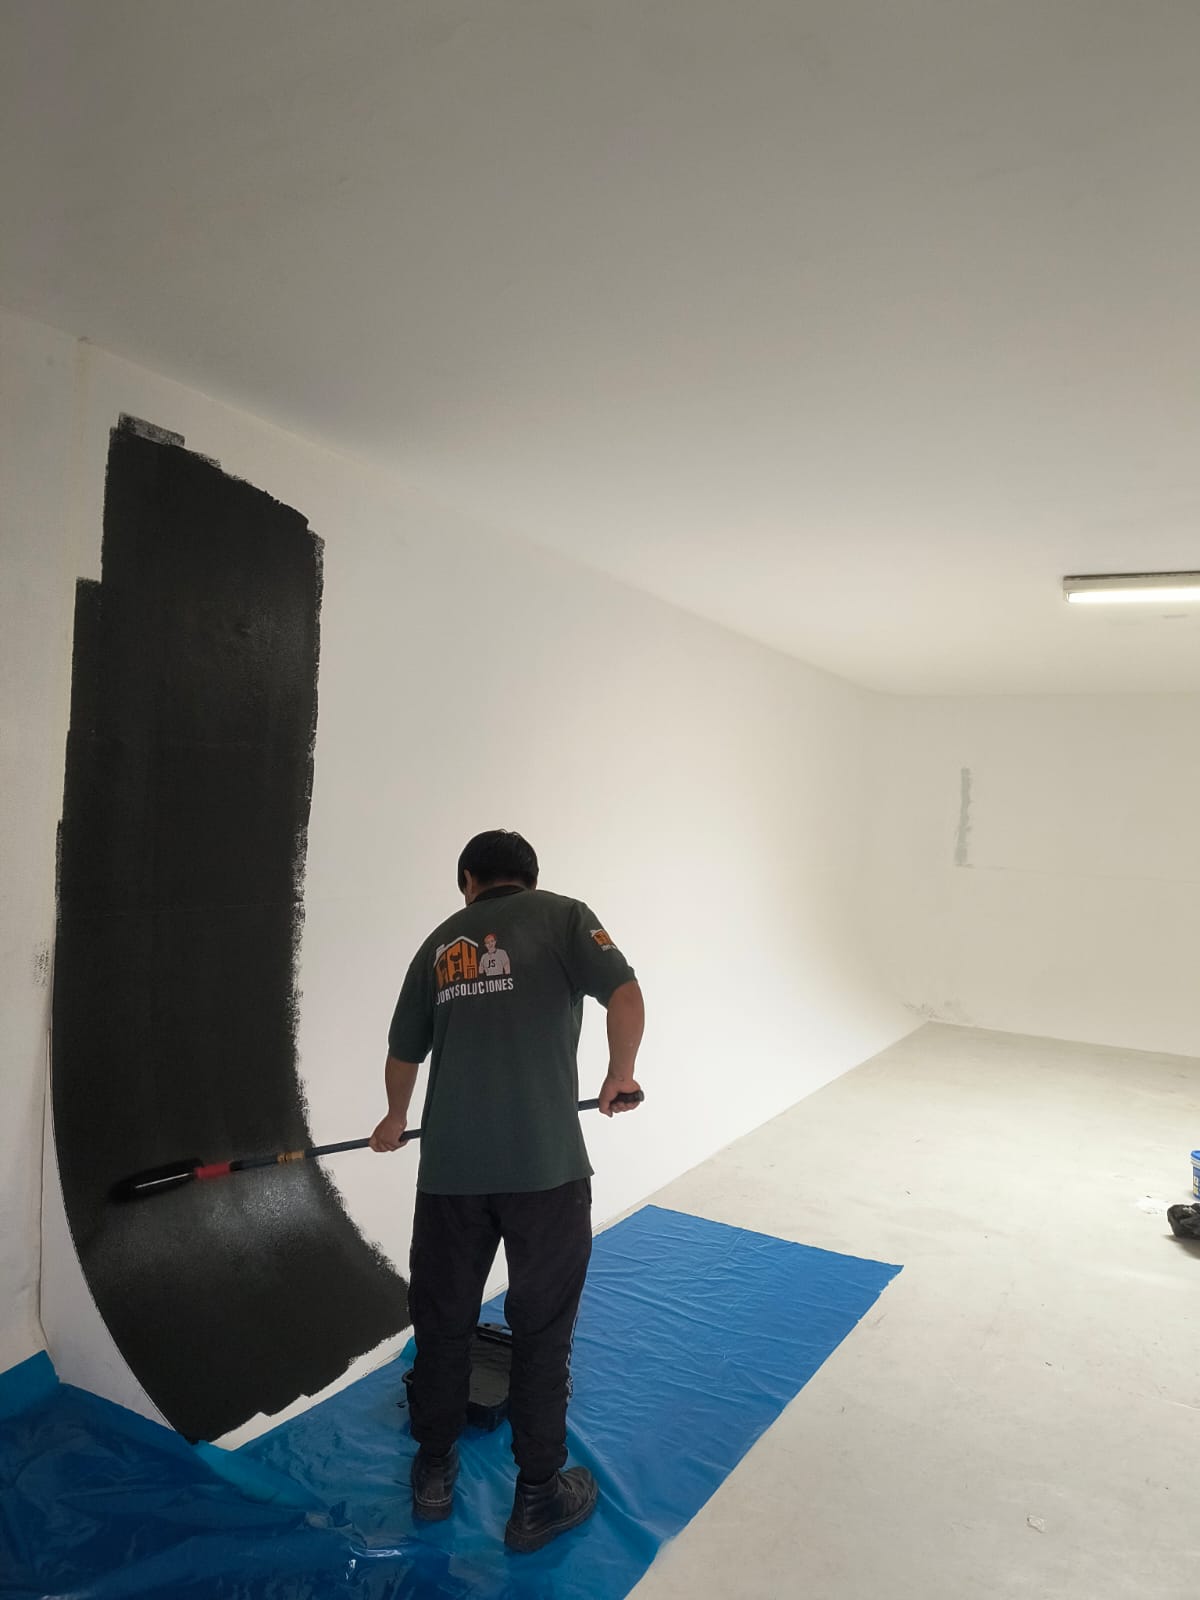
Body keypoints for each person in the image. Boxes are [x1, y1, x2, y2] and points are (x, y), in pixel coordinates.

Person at [371, 829, 644, 1552]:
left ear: (468, 879)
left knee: (443, 1325)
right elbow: (624, 992)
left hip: (450, 1176)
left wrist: (395, 1119)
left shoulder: (439, 943)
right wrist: (620, 1074)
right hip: (545, 1171)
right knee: (542, 1333)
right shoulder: (563, 916)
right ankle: (536, 1498)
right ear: (531, 877)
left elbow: (403, 1051)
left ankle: (434, 1474)